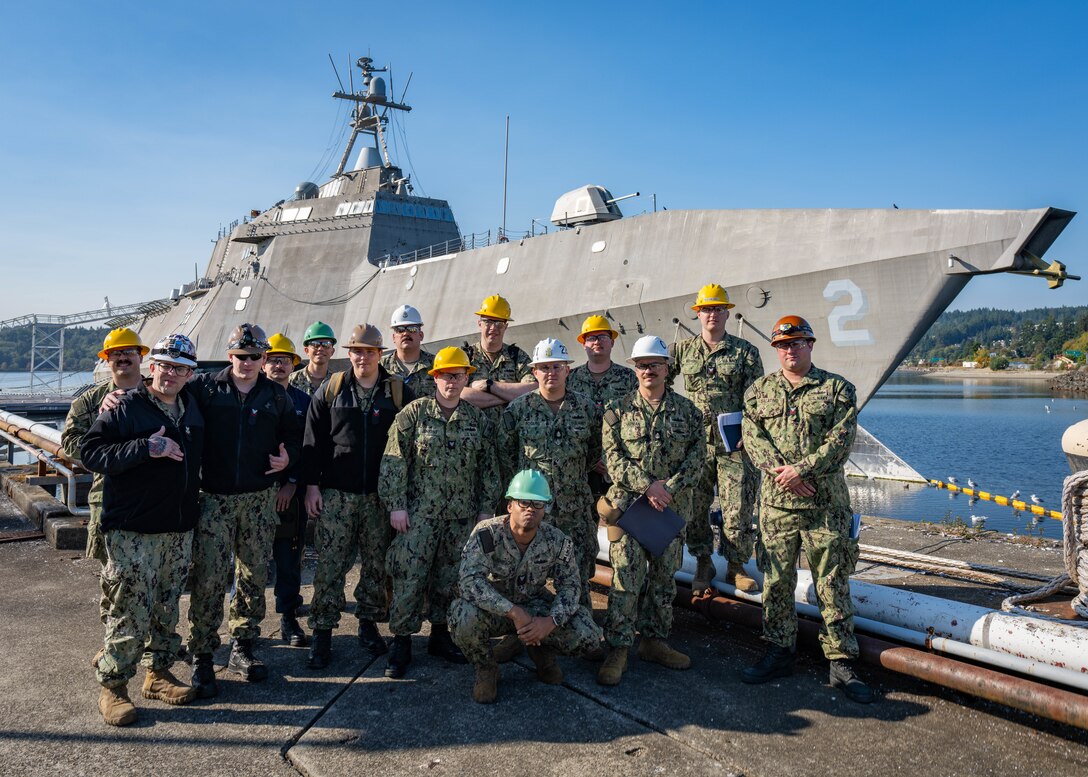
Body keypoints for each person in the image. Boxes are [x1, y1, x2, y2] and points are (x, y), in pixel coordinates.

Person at [740, 315, 873, 704]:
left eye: (797, 342)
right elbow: (753, 438)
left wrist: (802, 470)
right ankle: (780, 650)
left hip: (824, 504)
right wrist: (787, 476)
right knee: (776, 581)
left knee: (831, 580)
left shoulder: (837, 390)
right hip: (777, 506)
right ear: (775, 349)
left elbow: (841, 440)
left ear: (811, 345)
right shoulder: (758, 392)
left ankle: (841, 661)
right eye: (783, 344)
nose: (790, 349)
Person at [81, 334, 204, 726]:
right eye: (165, 365)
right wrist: (144, 448)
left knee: (167, 607)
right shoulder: (125, 407)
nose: (170, 374)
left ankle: (158, 674)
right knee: (128, 611)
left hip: (177, 527)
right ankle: (113, 688)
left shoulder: (192, 407)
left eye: (179, 368)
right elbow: (91, 452)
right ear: (153, 367)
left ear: (190, 374)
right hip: (133, 529)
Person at [185, 323, 302, 696]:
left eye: (255, 357)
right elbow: (161, 394)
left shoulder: (276, 396)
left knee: (253, 576)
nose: (247, 363)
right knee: (210, 577)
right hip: (214, 498)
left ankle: (243, 646)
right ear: (230, 354)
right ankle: (203, 653)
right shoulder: (204, 387)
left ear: (263, 358)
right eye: (240, 356)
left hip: (257, 498)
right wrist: (117, 397)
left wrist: (289, 462)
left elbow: (297, 439)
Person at [379, 346, 501, 678]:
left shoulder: (477, 419)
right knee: (410, 577)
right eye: (446, 375)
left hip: (461, 517)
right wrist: (397, 506)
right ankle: (401, 641)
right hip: (419, 515)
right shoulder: (413, 414)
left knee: (450, 579)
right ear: (435, 377)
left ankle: (440, 635)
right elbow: (393, 462)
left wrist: (485, 511)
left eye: (458, 375)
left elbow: (488, 470)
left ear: (466, 378)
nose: (452, 381)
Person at [596, 335, 705, 687]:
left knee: (662, 580)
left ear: (666, 368)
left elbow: (697, 459)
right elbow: (612, 458)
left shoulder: (688, 413)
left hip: (669, 511)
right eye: (642, 365)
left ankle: (654, 641)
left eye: (654, 364)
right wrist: (648, 485)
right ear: (635, 369)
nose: (648, 371)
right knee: (626, 576)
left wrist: (667, 488)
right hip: (630, 509)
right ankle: (619, 647)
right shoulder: (617, 410)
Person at [303, 324, 412, 669]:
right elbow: (312, 442)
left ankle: (367, 623)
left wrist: (402, 497)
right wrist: (311, 486)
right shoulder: (332, 389)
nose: (362, 357)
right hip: (337, 495)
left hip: (379, 497)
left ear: (380, 354)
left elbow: (411, 443)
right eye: (356, 351)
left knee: (376, 565)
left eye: (369, 351)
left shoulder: (396, 392)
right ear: (348, 354)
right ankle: (322, 632)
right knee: (331, 565)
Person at [449, 470, 604, 704]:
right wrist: (513, 612)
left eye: (538, 504)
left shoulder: (557, 540)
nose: (530, 508)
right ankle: (486, 668)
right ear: (510, 505)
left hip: (535, 607)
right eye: (524, 502)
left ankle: (542, 653)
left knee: (588, 634)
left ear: (545, 509)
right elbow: (470, 582)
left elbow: (571, 587)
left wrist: (550, 622)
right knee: (462, 616)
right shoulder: (487, 533)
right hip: (498, 610)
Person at [669, 284, 764, 596]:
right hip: (696, 444)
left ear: (727, 312)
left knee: (738, 507)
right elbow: (656, 381)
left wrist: (749, 435)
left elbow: (757, 400)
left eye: (717, 309)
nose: (712, 314)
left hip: (733, 443)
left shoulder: (745, 352)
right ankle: (703, 561)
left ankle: (736, 566)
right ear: (698, 313)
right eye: (706, 309)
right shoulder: (682, 351)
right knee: (696, 505)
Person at [500, 337, 601, 611]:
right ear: (534, 372)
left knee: (577, 574)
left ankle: (580, 628)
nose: (551, 373)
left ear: (568, 369)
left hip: (574, 508)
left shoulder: (587, 409)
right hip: (532, 510)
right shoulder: (518, 410)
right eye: (544, 367)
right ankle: (521, 632)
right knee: (523, 575)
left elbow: (593, 453)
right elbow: (506, 455)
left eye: (557, 366)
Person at [61, 327, 149, 623]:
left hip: (155, 494)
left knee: (155, 570)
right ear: (107, 359)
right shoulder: (89, 402)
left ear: (140, 356)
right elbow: (71, 445)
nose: (123, 358)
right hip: (108, 495)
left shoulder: (159, 393)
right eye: (116, 354)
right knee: (112, 571)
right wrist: (103, 427)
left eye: (129, 352)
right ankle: (114, 634)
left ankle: (154, 642)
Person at [262, 333, 311, 648]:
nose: (279, 365)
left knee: (288, 557)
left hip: (289, 495)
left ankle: (288, 616)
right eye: (274, 359)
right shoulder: (249, 397)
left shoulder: (304, 401)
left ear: (294, 364)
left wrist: (293, 483)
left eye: (285, 360)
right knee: (248, 561)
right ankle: (245, 625)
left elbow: (310, 447)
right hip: (252, 492)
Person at [566, 315, 637, 499]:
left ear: (612, 342)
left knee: (618, 520)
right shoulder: (569, 379)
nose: (597, 341)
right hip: (580, 464)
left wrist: (612, 458)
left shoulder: (628, 378)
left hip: (621, 462)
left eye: (602, 337)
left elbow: (637, 419)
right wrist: (592, 459)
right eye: (591, 337)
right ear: (584, 343)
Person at [460, 294, 535, 410]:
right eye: (488, 322)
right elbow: (459, 394)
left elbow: (533, 389)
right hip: (475, 427)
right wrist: (509, 395)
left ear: (506, 326)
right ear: (479, 324)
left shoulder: (517, 357)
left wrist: (490, 385)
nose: (493, 328)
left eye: (499, 323)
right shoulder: (465, 357)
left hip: (510, 428)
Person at [380, 304, 437, 398]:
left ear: (421, 335)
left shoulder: (436, 365)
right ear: (393, 337)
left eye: (412, 329)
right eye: (400, 329)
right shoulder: (380, 366)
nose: (406, 333)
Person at [289, 321, 338, 396]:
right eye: (315, 344)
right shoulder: (291, 381)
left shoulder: (337, 383)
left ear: (332, 351)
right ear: (306, 350)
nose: (320, 348)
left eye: (326, 344)